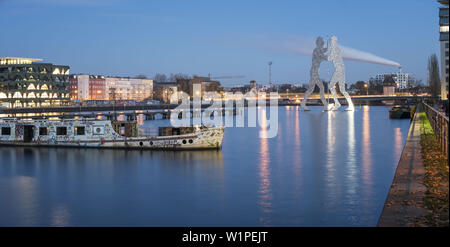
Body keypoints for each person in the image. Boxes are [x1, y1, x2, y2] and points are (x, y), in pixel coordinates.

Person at [301, 37, 329, 111]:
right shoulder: (317, 50)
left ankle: (303, 103)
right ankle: (326, 106)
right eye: (322, 42)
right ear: (319, 43)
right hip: (314, 72)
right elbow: (325, 57)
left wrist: (329, 47)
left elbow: (324, 51)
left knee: (311, 89)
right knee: (321, 87)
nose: (323, 44)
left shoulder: (318, 50)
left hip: (313, 71)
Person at [327, 36, 354, 111]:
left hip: (339, 69)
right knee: (342, 89)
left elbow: (329, 58)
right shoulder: (336, 49)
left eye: (331, 41)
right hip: (341, 69)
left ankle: (337, 103)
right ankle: (350, 105)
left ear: (334, 41)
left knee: (331, 86)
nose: (330, 42)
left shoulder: (335, 49)